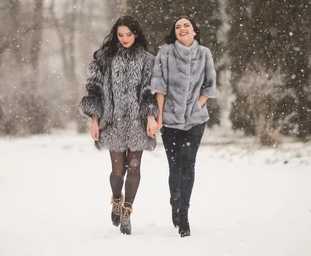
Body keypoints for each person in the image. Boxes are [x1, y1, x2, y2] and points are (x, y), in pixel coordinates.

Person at [79, 15, 159, 235]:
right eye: (120, 34)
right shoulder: (103, 59)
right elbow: (93, 91)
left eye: (129, 34)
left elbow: (149, 91)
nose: (124, 39)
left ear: (136, 34)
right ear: (115, 35)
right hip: (112, 122)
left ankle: (127, 211)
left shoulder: (147, 60)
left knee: (134, 167)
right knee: (117, 172)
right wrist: (94, 120)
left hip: (138, 123)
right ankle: (116, 198)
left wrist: (151, 115)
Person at [149, 16, 217, 237]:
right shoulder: (165, 53)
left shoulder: (204, 53)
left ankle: (184, 214)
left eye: (186, 25)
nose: (182, 29)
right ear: (174, 32)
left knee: (188, 165)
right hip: (169, 121)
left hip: (195, 121)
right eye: (178, 27)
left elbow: (209, 86)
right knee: (174, 166)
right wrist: (159, 116)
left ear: (194, 31)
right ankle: (174, 202)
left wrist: (196, 107)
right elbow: (159, 86)